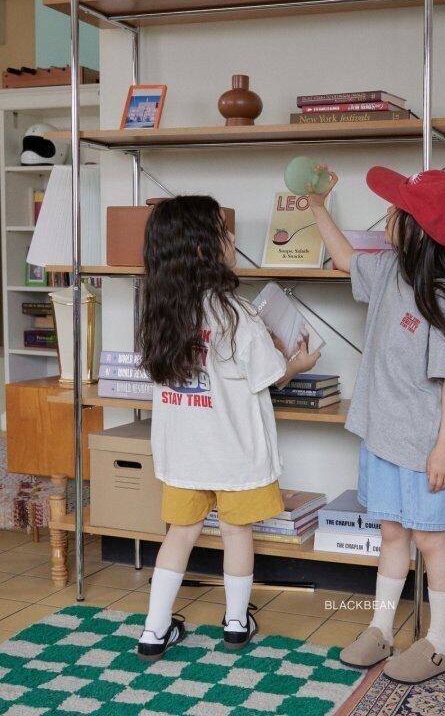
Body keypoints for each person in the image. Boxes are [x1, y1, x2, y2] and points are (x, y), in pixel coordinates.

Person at [307, 166, 445, 684]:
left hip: (423, 447)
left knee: (430, 539)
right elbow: (344, 258)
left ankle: (441, 643)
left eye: (397, 211)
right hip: (379, 437)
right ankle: (381, 629)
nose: (387, 215)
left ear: (420, 230)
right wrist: (317, 206)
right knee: (390, 534)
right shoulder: (385, 270)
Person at [135, 195, 319, 661]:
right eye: (224, 230)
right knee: (237, 534)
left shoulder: (159, 314)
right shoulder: (237, 314)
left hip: (183, 455)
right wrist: (298, 364)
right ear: (203, 248)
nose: (234, 237)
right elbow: (269, 376)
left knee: (179, 534)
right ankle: (236, 624)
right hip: (235, 455)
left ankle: (154, 630)